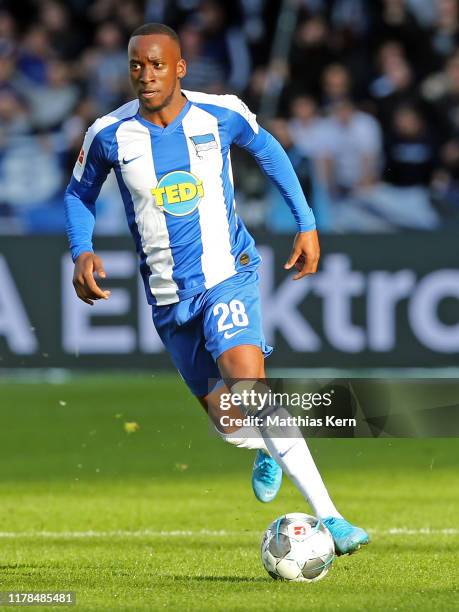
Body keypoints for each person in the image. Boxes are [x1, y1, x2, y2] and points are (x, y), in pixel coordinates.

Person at [64, 22, 369, 556]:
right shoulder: (109, 134)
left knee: (250, 386)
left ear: (180, 68)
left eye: (158, 64)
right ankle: (264, 447)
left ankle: (333, 518)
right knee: (231, 423)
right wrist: (82, 247)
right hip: (168, 299)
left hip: (229, 274)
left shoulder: (220, 112)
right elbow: (77, 195)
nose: (146, 75)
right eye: (137, 65)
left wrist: (306, 221)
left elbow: (271, 152)